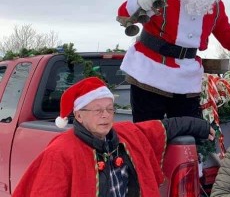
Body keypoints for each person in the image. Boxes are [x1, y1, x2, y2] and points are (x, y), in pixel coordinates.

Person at [13, 77, 215, 197]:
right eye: (98, 110)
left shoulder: (126, 135)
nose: (106, 115)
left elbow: (164, 127)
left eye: (110, 109)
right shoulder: (61, 152)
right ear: (79, 116)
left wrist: (200, 126)